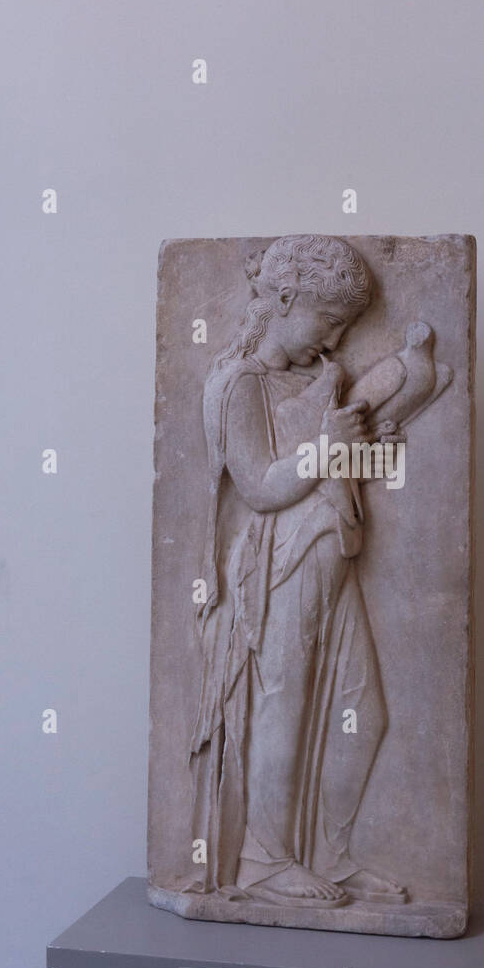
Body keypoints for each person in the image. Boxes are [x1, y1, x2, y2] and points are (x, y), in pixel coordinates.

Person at [188, 235, 406, 909]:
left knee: (360, 713)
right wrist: (327, 449)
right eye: (328, 320)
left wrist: (365, 449)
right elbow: (257, 484)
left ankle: (334, 855)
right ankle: (264, 860)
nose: (336, 338)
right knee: (284, 706)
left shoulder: (315, 379)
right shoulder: (236, 384)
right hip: (277, 562)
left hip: (329, 547)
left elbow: (330, 468)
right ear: (283, 300)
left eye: (346, 326)